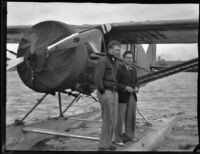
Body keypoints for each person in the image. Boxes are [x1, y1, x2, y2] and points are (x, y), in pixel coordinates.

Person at [94, 40, 121, 151]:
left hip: (114, 92)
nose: (119, 52)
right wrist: (102, 92)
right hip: (106, 92)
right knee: (107, 119)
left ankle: (108, 143)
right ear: (110, 50)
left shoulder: (114, 62)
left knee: (113, 119)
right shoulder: (103, 61)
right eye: (117, 50)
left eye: (119, 50)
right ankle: (103, 146)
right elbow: (97, 78)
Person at [115, 51, 139, 146]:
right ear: (124, 58)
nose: (129, 59)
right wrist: (125, 88)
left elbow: (137, 81)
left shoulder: (134, 70)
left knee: (131, 117)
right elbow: (115, 83)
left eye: (131, 57)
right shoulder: (119, 69)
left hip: (132, 96)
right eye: (127, 57)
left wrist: (137, 87)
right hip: (122, 97)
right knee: (120, 119)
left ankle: (129, 136)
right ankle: (118, 138)